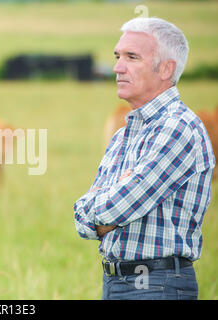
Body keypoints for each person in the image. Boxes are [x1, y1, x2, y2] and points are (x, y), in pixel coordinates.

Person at [73, 17, 215, 300]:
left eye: (131, 57)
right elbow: (80, 216)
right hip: (115, 283)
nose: (117, 67)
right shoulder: (123, 136)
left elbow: (119, 205)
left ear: (166, 69)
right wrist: (110, 203)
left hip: (157, 285)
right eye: (117, 56)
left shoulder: (178, 128)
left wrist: (108, 204)